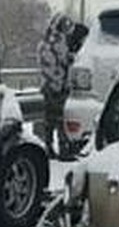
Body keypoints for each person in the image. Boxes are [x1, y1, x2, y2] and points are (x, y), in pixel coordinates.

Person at [36, 12, 88, 158]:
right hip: (57, 85)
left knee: (50, 119)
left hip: (48, 84)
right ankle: (63, 149)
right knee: (60, 118)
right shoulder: (58, 42)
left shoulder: (45, 42)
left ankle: (49, 147)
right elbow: (63, 62)